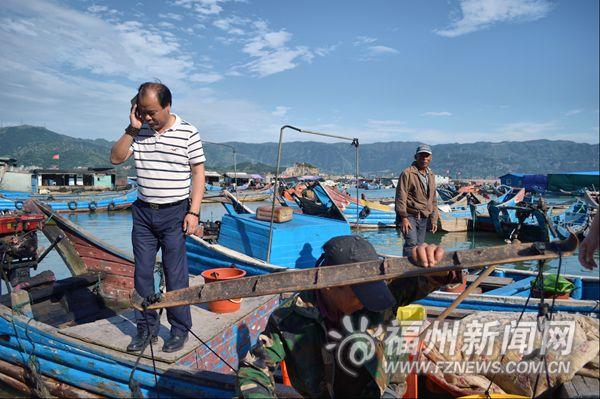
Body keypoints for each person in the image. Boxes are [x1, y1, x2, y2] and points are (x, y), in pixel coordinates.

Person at [237, 235, 461, 398]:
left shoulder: (385, 292)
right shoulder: (289, 319)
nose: (366, 302)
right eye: (360, 294)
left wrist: (435, 262)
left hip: (385, 391)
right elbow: (254, 369)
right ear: (329, 286)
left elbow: (438, 277)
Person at [110, 82, 206, 353]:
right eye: (142, 111)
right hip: (143, 213)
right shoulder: (138, 131)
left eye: (152, 112)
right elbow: (116, 158)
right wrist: (132, 127)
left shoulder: (188, 132)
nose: (148, 117)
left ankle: (179, 329)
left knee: (176, 274)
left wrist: (194, 212)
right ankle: (146, 329)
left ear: (167, 106)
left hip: (175, 212)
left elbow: (198, 174)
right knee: (142, 274)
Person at [395, 144, 439, 256]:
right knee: (411, 243)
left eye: (426, 156)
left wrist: (434, 219)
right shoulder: (407, 173)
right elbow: (401, 196)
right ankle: (407, 272)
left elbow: (433, 199)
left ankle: (417, 271)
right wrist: (403, 218)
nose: (424, 158)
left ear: (430, 158)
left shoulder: (431, 175)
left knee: (420, 246)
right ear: (416, 157)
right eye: (421, 156)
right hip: (409, 215)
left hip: (424, 216)